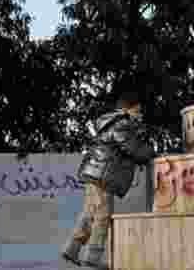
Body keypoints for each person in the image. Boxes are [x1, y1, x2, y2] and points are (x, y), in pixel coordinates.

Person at [62, 91, 154, 269]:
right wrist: (149, 153)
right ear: (127, 110)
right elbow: (132, 148)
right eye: (138, 111)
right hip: (102, 176)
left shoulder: (113, 123)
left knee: (90, 214)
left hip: (95, 173)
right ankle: (92, 258)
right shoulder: (122, 124)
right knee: (103, 216)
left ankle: (72, 250)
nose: (140, 115)